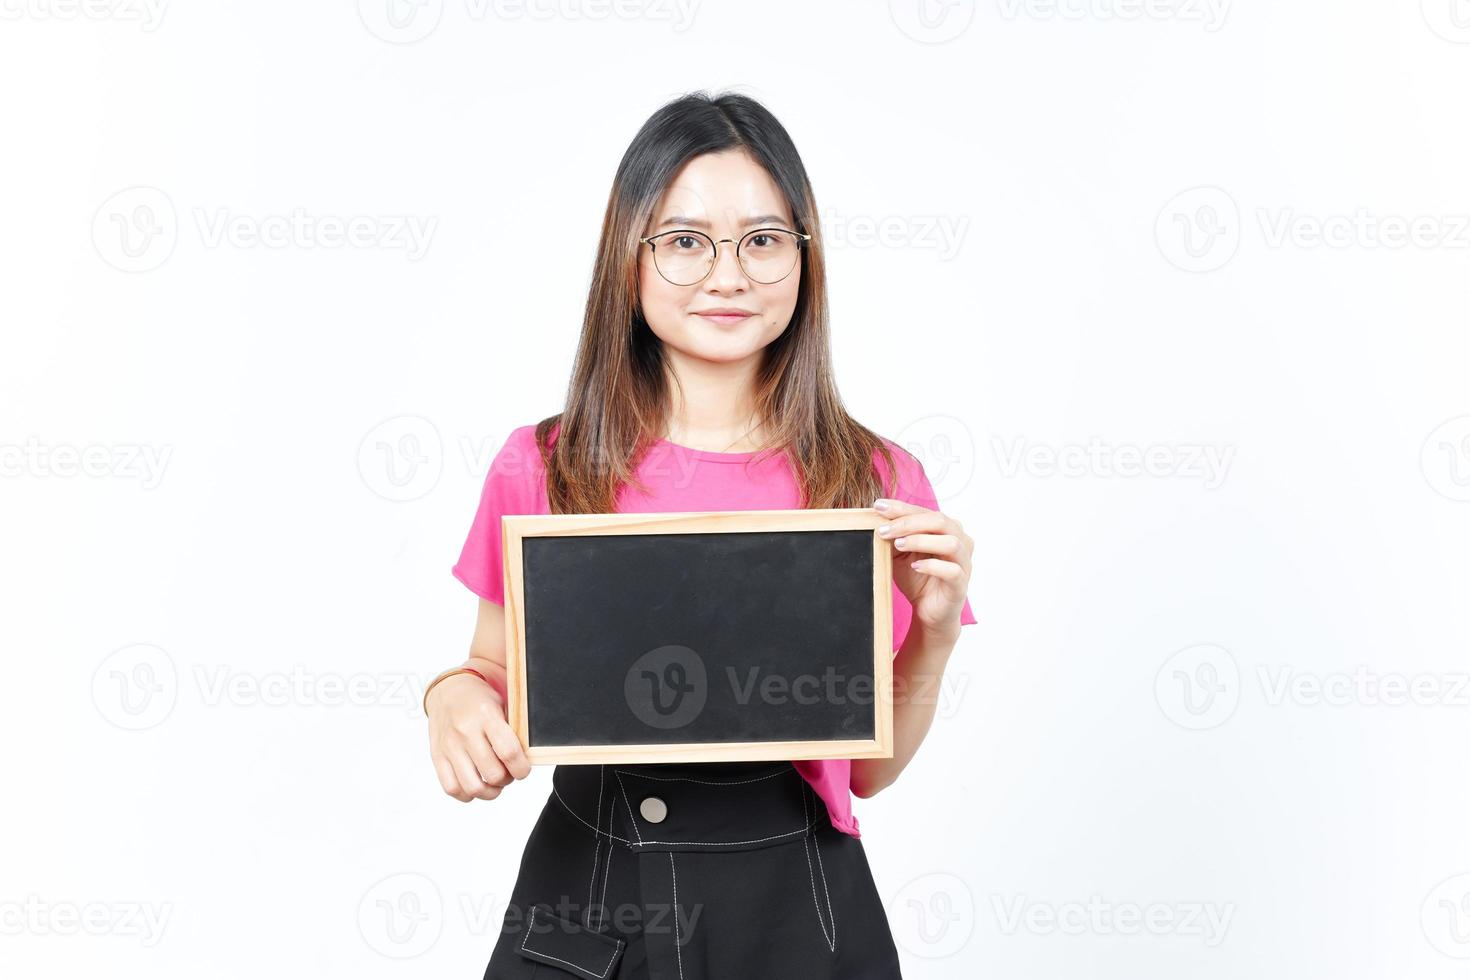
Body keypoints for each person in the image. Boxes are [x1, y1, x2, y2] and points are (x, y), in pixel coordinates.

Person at [424, 90, 978, 979]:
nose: (728, 274)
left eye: (763, 240)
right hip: (593, 896)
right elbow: (491, 670)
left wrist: (939, 631)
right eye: (685, 241)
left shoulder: (875, 484)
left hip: (795, 908)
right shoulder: (545, 463)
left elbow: (866, 774)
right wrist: (451, 700)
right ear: (628, 260)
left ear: (806, 261)